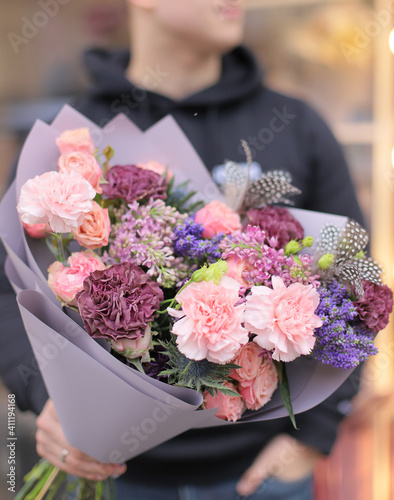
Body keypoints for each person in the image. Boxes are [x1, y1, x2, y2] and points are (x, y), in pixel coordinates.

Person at [0, 1, 365, 499]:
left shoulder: (296, 125)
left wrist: (313, 440)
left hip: (258, 478)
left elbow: (357, 297)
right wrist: (50, 401)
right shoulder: (74, 137)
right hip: (110, 472)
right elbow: (7, 296)